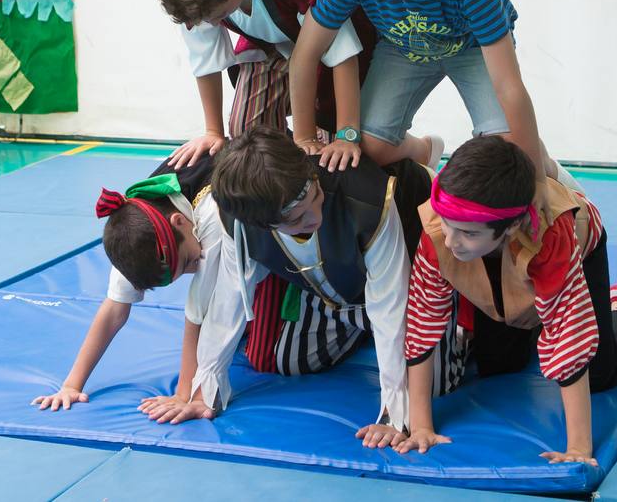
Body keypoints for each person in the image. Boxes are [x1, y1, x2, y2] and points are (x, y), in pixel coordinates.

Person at [139, 125, 434, 449]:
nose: (313, 216)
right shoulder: (238, 221)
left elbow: (392, 304)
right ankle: (364, 331)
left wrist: (395, 412)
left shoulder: (367, 198)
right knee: (287, 360)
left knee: (432, 386)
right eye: (296, 219)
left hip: (410, 289)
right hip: (337, 294)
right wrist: (204, 390)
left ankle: (423, 162)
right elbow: (229, 300)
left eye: (315, 197)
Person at [289, 0, 567, 211]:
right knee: (372, 149)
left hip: (470, 47)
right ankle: (423, 151)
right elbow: (305, 53)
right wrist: (303, 137)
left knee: (508, 149)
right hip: (403, 48)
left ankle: (554, 172)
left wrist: (536, 180)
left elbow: (509, 85)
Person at [396, 136, 617, 465]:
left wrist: (578, 449)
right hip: (498, 263)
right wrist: (420, 425)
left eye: (467, 232)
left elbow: (569, 333)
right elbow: (423, 321)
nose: (451, 242)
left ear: (511, 227)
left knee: (599, 375)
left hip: (578, 252)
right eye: (449, 226)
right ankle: (533, 315)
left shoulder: (552, 237)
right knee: (497, 364)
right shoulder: (442, 231)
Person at [159, 0, 380, 173]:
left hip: (327, 52)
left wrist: (346, 135)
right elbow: (205, 57)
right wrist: (213, 131)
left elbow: (342, 53)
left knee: (333, 156)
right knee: (247, 135)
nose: (211, 24)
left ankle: (420, 151)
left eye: (219, 15)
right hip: (270, 44)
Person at [31, 157, 222, 412]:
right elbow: (113, 312)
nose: (196, 263)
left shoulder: (211, 216)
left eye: (188, 261)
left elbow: (199, 309)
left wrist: (183, 394)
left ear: (180, 221)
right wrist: (71, 386)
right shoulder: (136, 232)